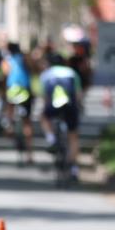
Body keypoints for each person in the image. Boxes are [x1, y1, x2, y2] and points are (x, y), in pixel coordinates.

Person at [39, 53, 83, 181]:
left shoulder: (46, 74)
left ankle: (52, 139)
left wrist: (46, 109)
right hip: (70, 105)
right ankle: (74, 168)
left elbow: (45, 96)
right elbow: (78, 93)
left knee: (44, 117)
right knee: (73, 136)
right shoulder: (71, 73)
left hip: (53, 105)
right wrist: (79, 106)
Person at [1, 42, 34, 164]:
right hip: (25, 89)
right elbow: (32, 69)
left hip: (13, 89)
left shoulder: (7, 60)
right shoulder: (25, 57)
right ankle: (30, 154)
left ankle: (9, 126)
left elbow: (5, 74)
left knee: (10, 107)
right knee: (27, 122)